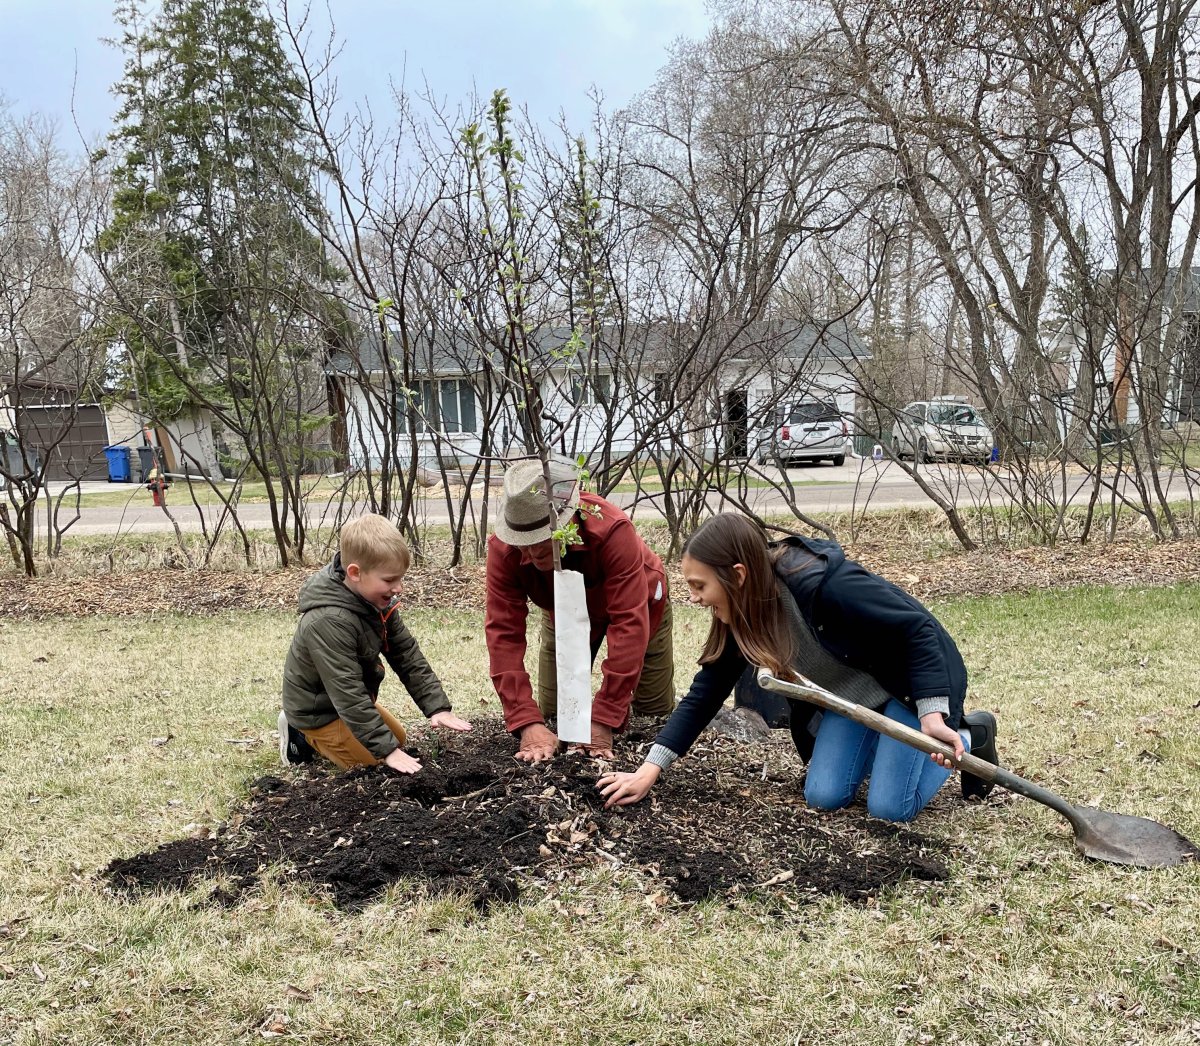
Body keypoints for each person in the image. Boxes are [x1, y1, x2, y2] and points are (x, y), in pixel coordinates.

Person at [598, 514, 1000, 822]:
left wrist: (932, 714)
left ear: (738, 575)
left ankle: (972, 730)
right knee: (824, 796)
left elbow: (919, 630)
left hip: (907, 686)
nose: (694, 598)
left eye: (700, 585)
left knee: (890, 808)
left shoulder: (825, 584)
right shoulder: (743, 616)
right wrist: (650, 770)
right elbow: (705, 694)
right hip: (853, 701)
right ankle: (892, 749)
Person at [486, 457, 674, 762]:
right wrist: (525, 720)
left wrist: (606, 715)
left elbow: (629, 624)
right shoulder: (503, 550)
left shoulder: (612, 530)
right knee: (554, 710)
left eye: (541, 541)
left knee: (651, 713)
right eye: (524, 543)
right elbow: (503, 634)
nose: (532, 554)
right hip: (563, 613)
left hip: (641, 603)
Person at [279, 513, 472, 773]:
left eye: (400, 578)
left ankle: (345, 738)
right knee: (379, 762)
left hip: (346, 702)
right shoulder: (327, 621)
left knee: (399, 739)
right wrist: (386, 751)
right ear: (355, 573)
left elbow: (406, 655)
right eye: (390, 580)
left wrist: (437, 708)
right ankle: (300, 734)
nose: (399, 588)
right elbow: (347, 691)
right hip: (319, 711)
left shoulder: (375, 603)